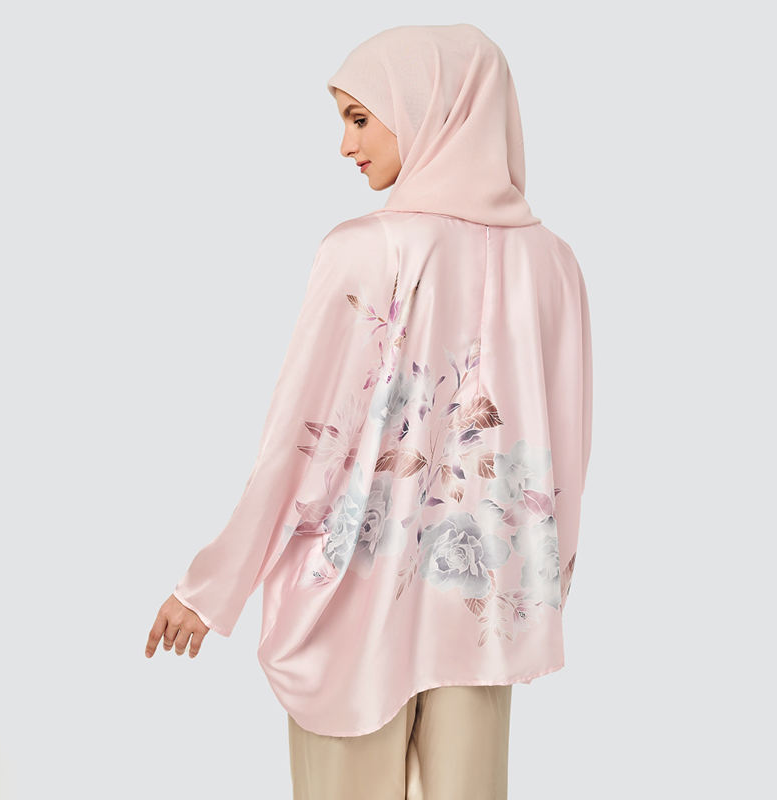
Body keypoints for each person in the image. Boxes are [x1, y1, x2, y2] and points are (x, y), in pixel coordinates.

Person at [145, 23, 593, 799]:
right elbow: (568, 454)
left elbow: (303, 441)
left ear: (428, 106)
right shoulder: (555, 263)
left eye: (359, 117)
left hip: (353, 614)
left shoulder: (366, 249)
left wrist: (211, 585)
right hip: (482, 614)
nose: (345, 146)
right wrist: (536, 593)